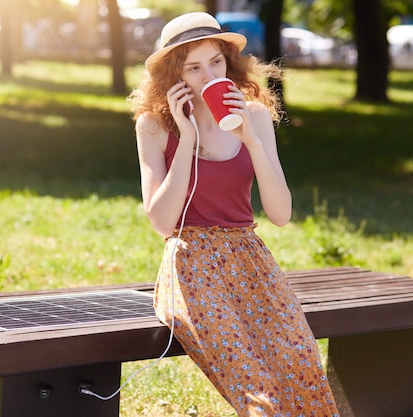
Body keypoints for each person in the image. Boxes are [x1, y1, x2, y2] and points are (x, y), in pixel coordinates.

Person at [129, 12, 339, 417]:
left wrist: (251, 140)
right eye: (193, 67)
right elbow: (161, 222)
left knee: (301, 365)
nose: (208, 75)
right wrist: (187, 137)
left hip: (250, 259)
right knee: (256, 387)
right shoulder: (154, 125)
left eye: (215, 62)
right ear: (174, 75)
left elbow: (280, 214)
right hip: (191, 263)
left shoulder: (255, 115)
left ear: (229, 63)